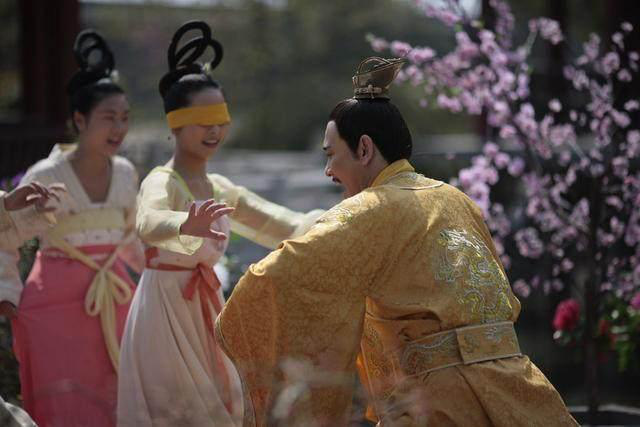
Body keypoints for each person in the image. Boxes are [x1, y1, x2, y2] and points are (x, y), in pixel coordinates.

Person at [215, 57, 579, 426]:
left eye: (331, 155)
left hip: (440, 402)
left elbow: (272, 278)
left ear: (364, 149)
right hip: (517, 387)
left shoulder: (368, 208)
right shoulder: (457, 199)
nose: (328, 171)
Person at [117, 21, 322, 427]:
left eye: (221, 119)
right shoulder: (161, 180)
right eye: (203, 120)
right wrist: (183, 224)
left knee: (221, 403)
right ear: (175, 123)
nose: (215, 130)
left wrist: (341, 219)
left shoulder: (221, 188)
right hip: (164, 311)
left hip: (208, 308)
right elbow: (149, 221)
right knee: (174, 409)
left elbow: (279, 223)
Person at [0, 29, 145, 426]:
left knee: (119, 396)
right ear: (79, 120)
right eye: (108, 118)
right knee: (63, 399)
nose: (119, 128)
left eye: (125, 118)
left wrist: (165, 276)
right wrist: (7, 292)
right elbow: (6, 237)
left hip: (116, 298)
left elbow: (133, 239)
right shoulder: (46, 174)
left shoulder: (126, 172)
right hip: (55, 306)